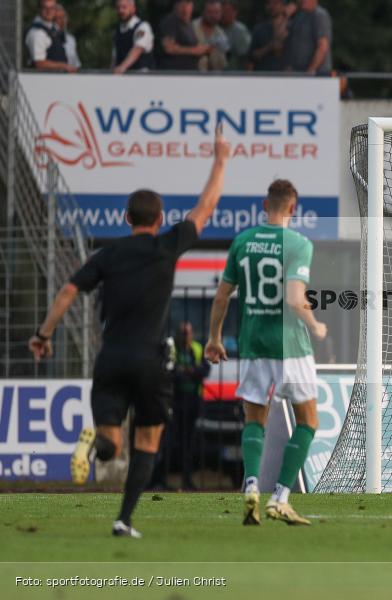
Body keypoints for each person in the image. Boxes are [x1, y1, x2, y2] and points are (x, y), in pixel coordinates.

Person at [28, 126, 230, 538]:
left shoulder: (108, 254)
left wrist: (43, 334)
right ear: (158, 220)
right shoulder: (166, 245)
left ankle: (91, 444)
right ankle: (124, 519)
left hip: (112, 358)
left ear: (125, 218)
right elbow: (204, 208)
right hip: (151, 363)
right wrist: (222, 159)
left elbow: (68, 290)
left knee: (111, 446)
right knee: (147, 442)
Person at [205, 179, 327, 526]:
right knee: (308, 421)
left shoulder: (242, 242)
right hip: (291, 346)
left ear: (264, 205)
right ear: (293, 208)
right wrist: (315, 325)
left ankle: (251, 485)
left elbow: (221, 297)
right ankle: (281, 498)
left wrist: (214, 338)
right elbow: (293, 298)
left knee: (254, 420)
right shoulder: (298, 243)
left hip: (254, 345)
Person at [171, 321, 210, 489]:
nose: (186, 336)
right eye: (183, 333)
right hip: (176, 400)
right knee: (173, 440)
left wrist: (187, 372)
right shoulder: (174, 349)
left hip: (193, 401)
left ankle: (187, 479)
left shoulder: (197, 348)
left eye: (188, 332)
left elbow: (205, 370)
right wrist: (191, 372)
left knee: (189, 442)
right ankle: (167, 478)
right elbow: (171, 372)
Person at [158, 0, 209, 71]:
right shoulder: (170, 22)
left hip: (190, 73)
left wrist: (202, 50)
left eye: (188, 5)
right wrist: (194, 50)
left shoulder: (189, 25)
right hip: (175, 73)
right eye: (182, 5)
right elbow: (169, 48)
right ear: (176, 6)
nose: (185, 9)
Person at [25, 0, 74, 72]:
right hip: (42, 80)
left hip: (56, 79)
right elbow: (39, 63)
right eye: (45, 8)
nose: (49, 11)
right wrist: (63, 66)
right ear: (39, 9)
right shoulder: (37, 33)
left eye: (52, 8)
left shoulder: (53, 29)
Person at [285, 0, 331, 75]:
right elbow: (283, 41)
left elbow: (322, 46)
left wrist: (310, 70)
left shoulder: (320, 15)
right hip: (298, 72)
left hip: (317, 74)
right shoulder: (298, 16)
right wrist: (285, 16)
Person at [112, 0, 154, 74]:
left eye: (124, 7)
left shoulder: (142, 27)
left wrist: (122, 67)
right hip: (121, 77)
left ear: (133, 8)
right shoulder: (118, 31)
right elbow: (115, 57)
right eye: (118, 7)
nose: (121, 10)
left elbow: (137, 49)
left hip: (141, 76)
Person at [248, 0, 290, 72]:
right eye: (269, 3)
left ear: (283, 6)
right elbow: (252, 57)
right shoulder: (259, 29)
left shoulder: (292, 28)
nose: (271, 6)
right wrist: (269, 47)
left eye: (275, 3)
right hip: (262, 76)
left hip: (284, 77)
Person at [193, 0, 230, 72]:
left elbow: (222, 65)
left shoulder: (221, 34)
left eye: (216, 12)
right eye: (209, 12)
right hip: (190, 75)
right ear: (203, 12)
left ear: (221, 14)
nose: (213, 16)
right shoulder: (191, 28)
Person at [221, 0, 251, 70]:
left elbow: (247, 58)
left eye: (226, 12)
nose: (222, 14)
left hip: (234, 75)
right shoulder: (216, 28)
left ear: (234, 13)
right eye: (221, 11)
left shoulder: (240, 31)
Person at [54, 4, 80, 70]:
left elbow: (76, 65)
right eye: (59, 18)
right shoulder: (46, 37)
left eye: (64, 17)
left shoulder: (71, 39)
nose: (63, 21)